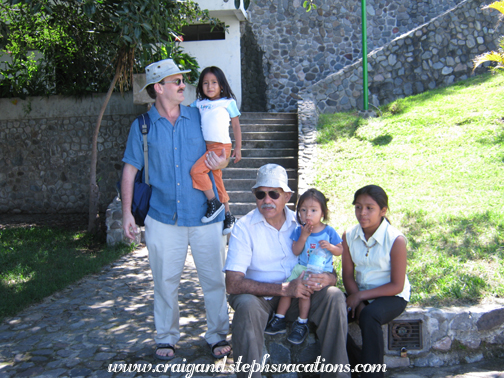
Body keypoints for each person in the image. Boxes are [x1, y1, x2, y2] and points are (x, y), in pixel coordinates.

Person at [121, 59, 231, 361]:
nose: (184, 86)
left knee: (213, 280)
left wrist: (221, 161)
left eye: (183, 80)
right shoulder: (142, 126)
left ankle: (218, 334)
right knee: (165, 282)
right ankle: (166, 337)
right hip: (162, 217)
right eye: (176, 81)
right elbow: (130, 170)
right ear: (159, 88)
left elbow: (223, 148)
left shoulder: (200, 116)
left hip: (205, 216)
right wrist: (127, 213)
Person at [225, 164, 350, 378]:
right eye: (260, 194)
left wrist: (330, 277)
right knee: (245, 306)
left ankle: (337, 375)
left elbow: (326, 262)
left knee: (334, 296)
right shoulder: (243, 228)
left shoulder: (304, 223)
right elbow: (233, 283)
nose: (267, 200)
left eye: (274, 193)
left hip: (300, 296)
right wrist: (284, 289)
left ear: (287, 196)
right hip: (259, 300)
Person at [342, 185, 410, 378]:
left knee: (369, 315)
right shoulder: (349, 235)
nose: (362, 213)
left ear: (383, 211)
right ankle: (358, 365)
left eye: (369, 208)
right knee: (331, 311)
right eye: (358, 207)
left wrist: (360, 298)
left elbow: (397, 285)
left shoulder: (395, 239)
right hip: (359, 292)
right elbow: (347, 275)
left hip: (392, 295)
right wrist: (358, 298)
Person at [265, 188, 343, 345]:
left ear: (323, 212)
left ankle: (302, 322)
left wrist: (330, 247)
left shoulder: (328, 231)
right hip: (301, 268)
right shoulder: (299, 230)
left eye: (313, 210)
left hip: (319, 271)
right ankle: (279, 318)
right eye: (303, 210)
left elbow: (340, 250)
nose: (308, 214)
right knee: (288, 289)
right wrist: (304, 236)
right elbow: (296, 251)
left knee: (304, 294)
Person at [190, 66, 242, 235]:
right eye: (205, 83)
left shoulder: (228, 102)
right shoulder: (199, 103)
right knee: (218, 182)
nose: (210, 86)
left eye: (214, 82)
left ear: (221, 85)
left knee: (196, 171)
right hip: (207, 147)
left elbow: (235, 125)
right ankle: (228, 215)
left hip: (221, 148)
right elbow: (183, 112)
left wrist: (238, 148)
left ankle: (214, 203)